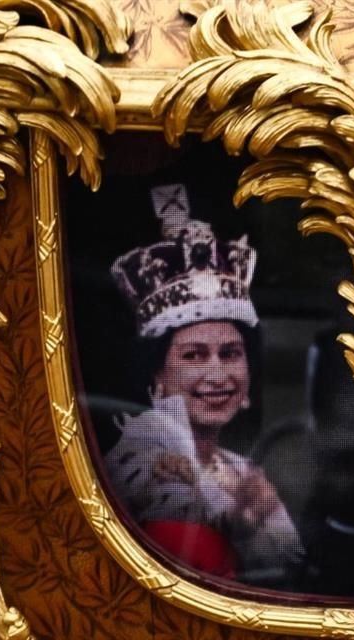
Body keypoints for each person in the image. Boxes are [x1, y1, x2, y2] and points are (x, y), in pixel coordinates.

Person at [103, 184, 304, 586]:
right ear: (156, 376)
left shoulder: (237, 467)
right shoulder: (140, 458)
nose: (217, 375)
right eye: (193, 356)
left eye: (230, 353)